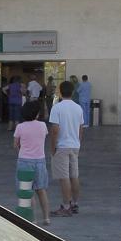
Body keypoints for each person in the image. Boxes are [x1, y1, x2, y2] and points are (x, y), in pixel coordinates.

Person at [48, 81, 84, 216]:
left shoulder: (57, 108)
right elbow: (81, 129)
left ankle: (66, 206)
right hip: (74, 146)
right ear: (73, 92)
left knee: (64, 177)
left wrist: (53, 148)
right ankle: (75, 203)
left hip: (62, 146)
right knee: (74, 175)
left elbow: (55, 130)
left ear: (60, 92)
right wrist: (78, 143)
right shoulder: (78, 108)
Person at [13, 100, 52, 225]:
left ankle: (33, 219)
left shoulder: (20, 127)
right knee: (41, 190)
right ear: (37, 114)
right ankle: (46, 217)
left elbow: (16, 144)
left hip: (24, 161)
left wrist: (21, 151)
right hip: (40, 161)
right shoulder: (43, 126)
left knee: (27, 191)